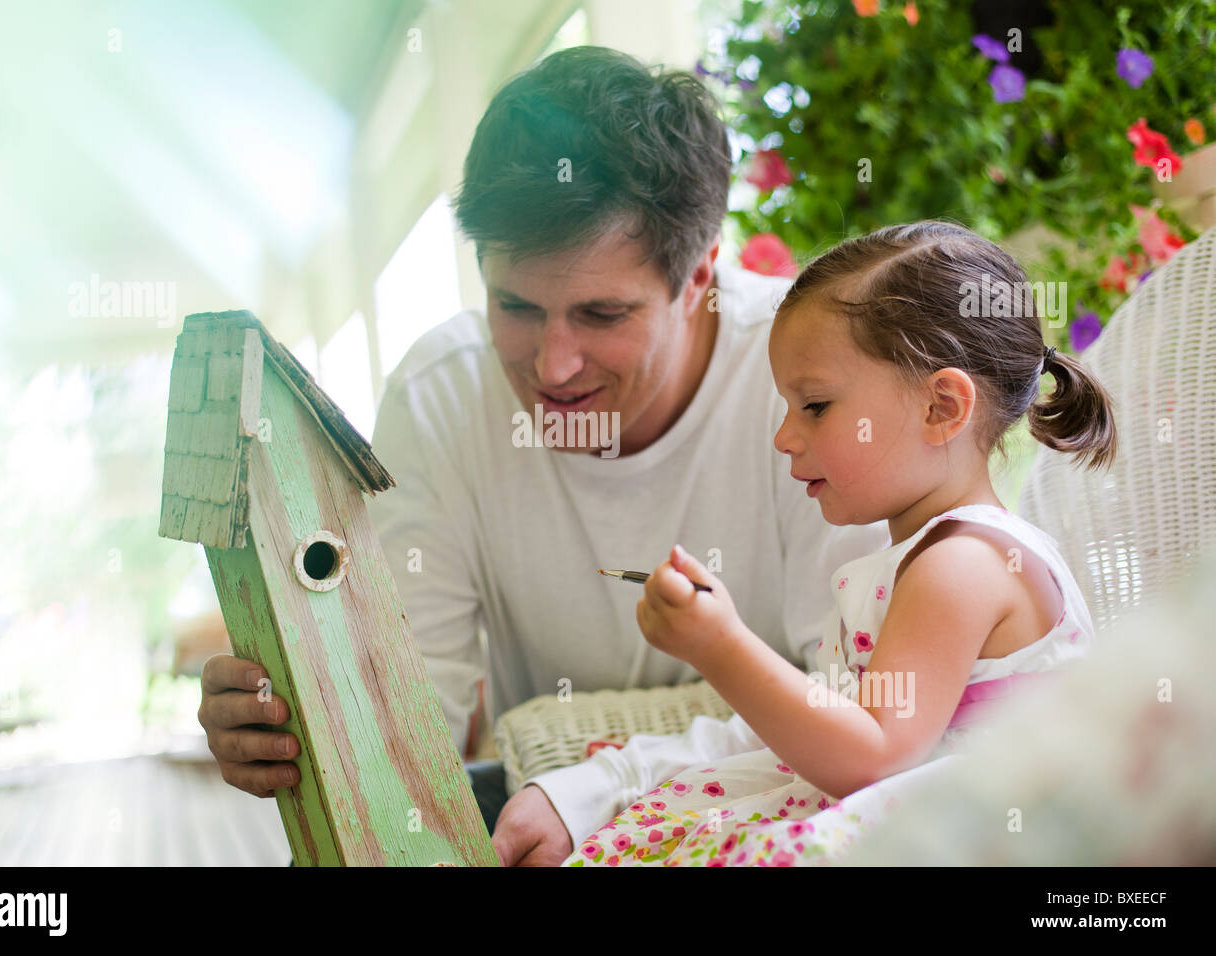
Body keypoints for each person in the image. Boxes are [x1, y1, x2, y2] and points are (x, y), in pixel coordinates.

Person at [194, 45, 887, 865]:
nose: (552, 367)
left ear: (700, 276)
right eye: (514, 305)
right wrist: (298, 722)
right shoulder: (440, 396)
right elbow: (412, 724)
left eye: (600, 314)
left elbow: (866, 720)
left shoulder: (816, 383)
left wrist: (602, 784)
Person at [551, 220, 1118, 866]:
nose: (785, 437)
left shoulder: (963, 567)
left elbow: (871, 753)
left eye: (814, 406)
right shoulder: (924, 559)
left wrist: (722, 647)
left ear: (941, 408)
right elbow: (838, 728)